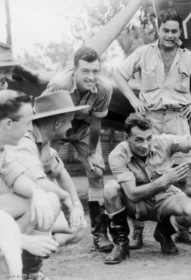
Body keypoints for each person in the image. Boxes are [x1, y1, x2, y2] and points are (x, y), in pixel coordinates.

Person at [113, 8, 191, 246]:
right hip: (149, 120)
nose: (170, 35)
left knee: (180, 175)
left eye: (174, 31)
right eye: (166, 30)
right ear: (158, 29)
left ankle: (181, 229)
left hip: (177, 119)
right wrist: (133, 99)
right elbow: (118, 73)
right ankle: (137, 231)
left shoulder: (187, 56)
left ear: (180, 31)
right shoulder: (143, 53)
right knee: (141, 173)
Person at [103, 113, 191, 264]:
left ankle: (163, 233)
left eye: (149, 138)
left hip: (164, 199)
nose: (145, 145)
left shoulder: (162, 141)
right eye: (139, 140)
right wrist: (164, 181)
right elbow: (132, 194)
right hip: (137, 204)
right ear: (126, 138)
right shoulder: (117, 155)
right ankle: (121, 245)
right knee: (110, 188)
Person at [43, 46, 113, 253]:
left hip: (83, 128)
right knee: (46, 172)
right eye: (85, 71)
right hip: (56, 127)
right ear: (74, 70)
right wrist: (47, 148)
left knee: (97, 172)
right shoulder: (58, 84)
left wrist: (93, 152)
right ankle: (45, 231)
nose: (91, 77)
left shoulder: (104, 88)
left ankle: (100, 233)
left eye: (95, 71)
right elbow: (43, 117)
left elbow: (96, 123)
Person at [11, 90, 89, 248]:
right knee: (51, 200)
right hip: (7, 210)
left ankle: (38, 247)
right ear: (58, 123)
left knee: (79, 226)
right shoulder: (24, 141)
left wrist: (76, 205)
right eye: (70, 121)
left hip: (18, 210)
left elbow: (60, 171)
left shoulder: (42, 140)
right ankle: (24, 260)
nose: (72, 126)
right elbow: (39, 183)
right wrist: (66, 198)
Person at [0, 90, 60, 280]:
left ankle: (22, 274)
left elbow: (14, 175)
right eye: (27, 124)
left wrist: (37, 192)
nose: (29, 130)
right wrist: (22, 241)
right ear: (9, 124)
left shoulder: (4, 147)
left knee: (42, 200)